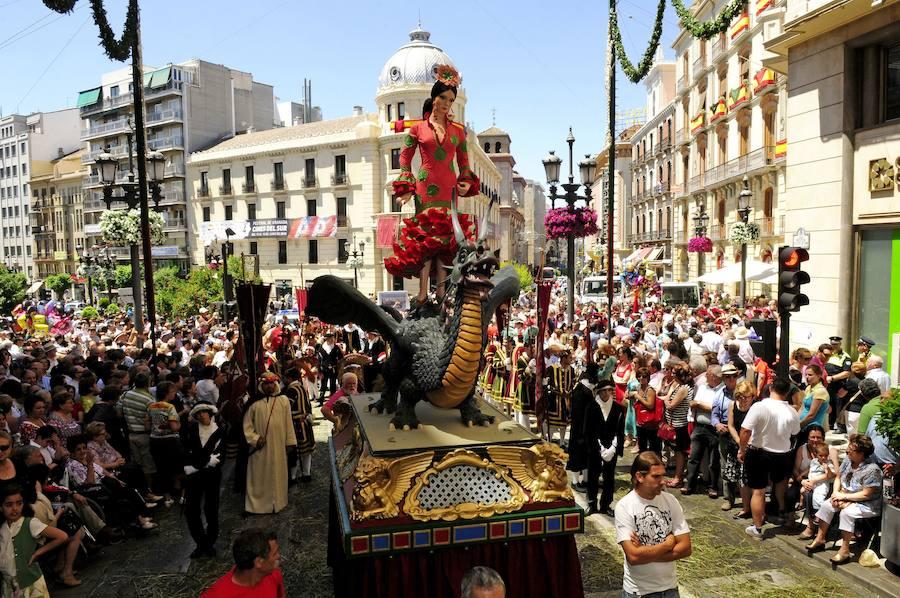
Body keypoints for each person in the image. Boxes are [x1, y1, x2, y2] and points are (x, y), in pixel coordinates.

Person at [383, 64, 480, 309]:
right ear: (434, 98)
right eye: (443, 98)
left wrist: (466, 183)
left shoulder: (458, 132)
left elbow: (464, 162)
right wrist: (406, 184)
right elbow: (404, 157)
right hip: (426, 186)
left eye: (451, 99)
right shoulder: (416, 129)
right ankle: (423, 292)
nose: (447, 103)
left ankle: (440, 291)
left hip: (448, 187)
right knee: (426, 240)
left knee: (445, 240)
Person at [614, 451, 692, 598]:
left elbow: (686, 548)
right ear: (639, 477)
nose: (662, 481)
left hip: (670, 589)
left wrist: (645, 552)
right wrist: (667, 545)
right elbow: (633, 557)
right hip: (639, 592)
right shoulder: (625, 506)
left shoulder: (671, 501)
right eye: (656, 476)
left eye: (662, 475)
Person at [805, 434, 883, 565]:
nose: (847, 451)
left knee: (847, 513)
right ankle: (820, 539)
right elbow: (838, 477)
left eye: (851, 449)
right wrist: (835, 494)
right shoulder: (848, 461)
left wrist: (844, 497)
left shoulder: (872, 469)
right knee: (826, 505)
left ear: (861, 453)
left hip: (867, 503)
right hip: (845, 496)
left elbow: (867, 494)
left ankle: (845, 550)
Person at [738, 377, 800, 539]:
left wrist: (742, 449)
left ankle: (758, 528)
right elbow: (795, 433)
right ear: (787, 393)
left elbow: (745, 430)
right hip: (782, 454)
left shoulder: (760, 406)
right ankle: (781, 513)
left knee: (758, 491)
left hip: (760, 452)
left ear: (771, 388)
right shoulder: (792, 411)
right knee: (780, 484)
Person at [243, 372, 297, 514]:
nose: (270, 386)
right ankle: (257, 505)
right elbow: (247, 426)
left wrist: (290, 442)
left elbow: (288, 423)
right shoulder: (254, 403)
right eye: (267, 383)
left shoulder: (284, 400)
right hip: (261, 448)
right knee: (259, 477)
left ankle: (278, 502)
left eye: (272, 383)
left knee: (278, 474)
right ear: (262, 385)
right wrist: (255, 439)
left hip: (279, 446)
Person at [0, 484, 67, 598]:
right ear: (1, 507)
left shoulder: (30, 523)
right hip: (9, 586)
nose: (15, 508)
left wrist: (37, 553)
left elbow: (62, 536)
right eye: (9, 505)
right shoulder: (2, 528)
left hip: (31, 584)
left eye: (19, 503)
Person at [182, 403, 224, 559]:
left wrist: (195, 466)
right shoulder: (191, 430)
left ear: (210, 413)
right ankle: (200, 543)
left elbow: (220, 457)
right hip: (194, 477)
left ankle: (210, 542)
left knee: (211, 509)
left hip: (212, 475)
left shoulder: (219, 431)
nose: (201, 416)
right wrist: (205, 462)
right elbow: (187, 452)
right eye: (197, 413)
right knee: (191, 510)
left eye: (203, 412)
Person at [201, 528, 285, 598]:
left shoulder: (274, 573)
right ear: (259, 562)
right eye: (275, 553)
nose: (278, 556)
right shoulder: (216, 595)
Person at [583, 379, 625, 516]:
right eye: (604, 390)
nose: (607, 393)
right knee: (593, 477)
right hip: (595, 448)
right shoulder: (591, 407)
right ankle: (591, 504)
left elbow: (620, 431)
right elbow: (588, 431)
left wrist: (613, 449)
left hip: (611, 448)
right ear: (599, 392)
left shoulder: (618, 408)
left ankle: (606, 505)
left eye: (609, 390)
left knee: (609, 478)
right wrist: (599, 449)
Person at [564, 362, 598, 493]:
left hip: (588, 428)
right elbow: (578, 414)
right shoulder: (580, 391)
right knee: (578, 455)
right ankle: (575, 481)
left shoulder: (588, 389)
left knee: (587, 455)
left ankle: (586, 480)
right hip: (579, 430)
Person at [283, 367, 315, 483]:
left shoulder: (291, 390)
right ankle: (306, 474)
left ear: (290, 378)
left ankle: (292, 477)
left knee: (294, 451)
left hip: (296, 424)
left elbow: (286, 408)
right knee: (306, 451)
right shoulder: (301, 387)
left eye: (286, 378)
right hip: (305, 422)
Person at [631, 367, 661, 455]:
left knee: (653, 448)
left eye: (643, 376)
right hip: (640, 422)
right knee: (642, 447)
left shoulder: (650, 390)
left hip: (650, 424)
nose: (641, 378)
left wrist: (638, 397)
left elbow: (650, 405)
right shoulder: (638, 387)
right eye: (639, 376)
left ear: (648, 378)